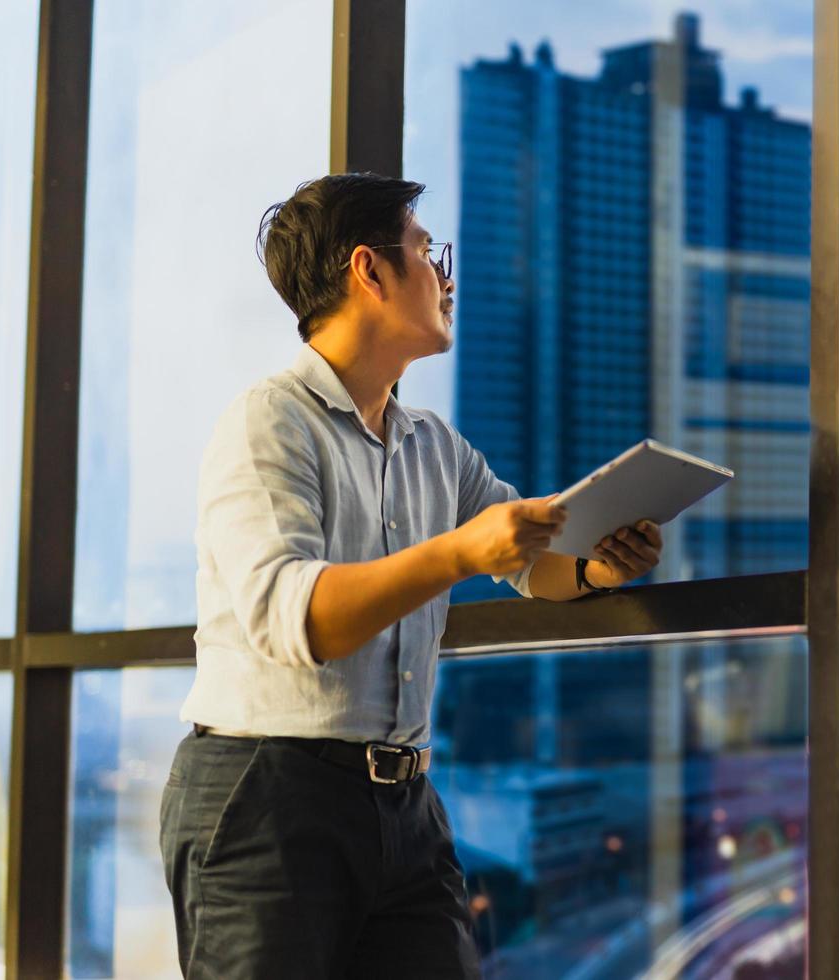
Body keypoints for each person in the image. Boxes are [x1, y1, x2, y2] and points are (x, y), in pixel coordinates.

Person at [159, 173, 662, 979]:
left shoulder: (435, 445)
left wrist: (601, 567)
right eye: (429, 252)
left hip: (404, 803)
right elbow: (302, 619)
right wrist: (461, 554)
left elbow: (530, 563)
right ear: (371, 270)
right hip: (267, 797)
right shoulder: (267, 422)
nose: (446, 276)